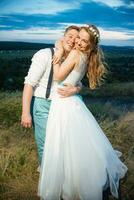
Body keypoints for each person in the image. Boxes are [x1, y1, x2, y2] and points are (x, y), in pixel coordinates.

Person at [38, 24, 128, 200]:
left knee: (64, 143)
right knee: (74, 145)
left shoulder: (75, 54)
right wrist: (77, 86)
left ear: (91, 45)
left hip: (63, 103)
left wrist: (56, 56)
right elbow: (74, 76)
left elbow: (57, 77)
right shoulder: (87, 56)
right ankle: (75, 178)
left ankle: (73, 182)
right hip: (69, 101)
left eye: (83, 40)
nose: (78, 42)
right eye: (78, 37)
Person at [21, 25, 81, 165]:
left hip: (64, 107)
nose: (72, 40)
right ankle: (46, 178)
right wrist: (25, 113)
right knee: (45, 144)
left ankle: (59, 174)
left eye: (76, 38)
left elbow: (78, 81)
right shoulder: (44, 54)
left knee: (63, 144)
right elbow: (29, 84)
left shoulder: (72, 58)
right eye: (70, 36)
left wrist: (76, 89)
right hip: (43, 105)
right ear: (63, 36)